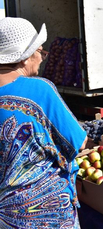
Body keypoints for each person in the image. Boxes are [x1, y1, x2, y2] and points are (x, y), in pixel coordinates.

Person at [0, 17, 87, 228]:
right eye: (40, 51)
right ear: (23, 57)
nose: (42, 58)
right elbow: (78, 143)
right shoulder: (39, 90)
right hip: (47, 216)